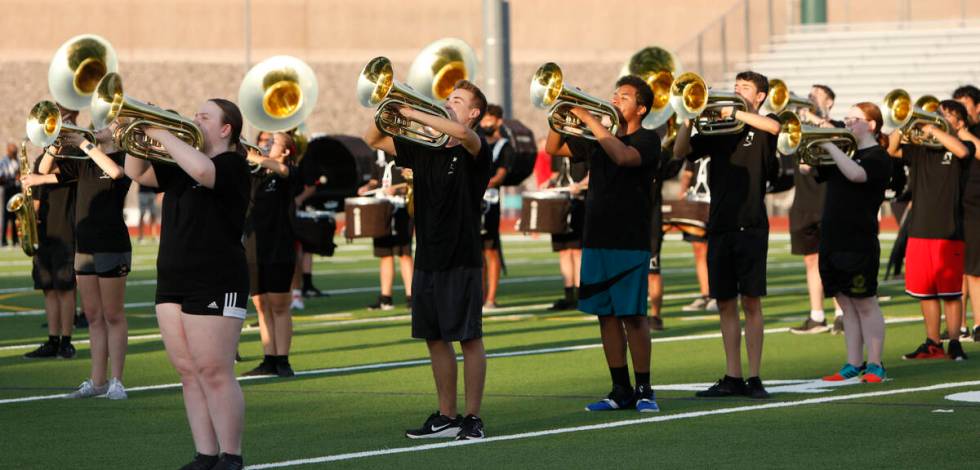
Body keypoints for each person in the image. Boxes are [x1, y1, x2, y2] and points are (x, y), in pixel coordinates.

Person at [125, 98, 249, 470]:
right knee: (188, 372)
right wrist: (139, 131)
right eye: (194, 114)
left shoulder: (232, 165)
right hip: (173, 279)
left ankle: (231, 455)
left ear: (225, 129)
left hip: (216, 279)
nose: (195, 120)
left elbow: (204, 172)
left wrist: (161, 132)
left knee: (214, 370)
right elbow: (138, 173)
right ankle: (205, 454)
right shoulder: (184, 163)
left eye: (204, 117)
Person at [364, 79, 490, 440]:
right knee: (434, 338)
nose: (449, 103)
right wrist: (391, 104)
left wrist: (415, 112)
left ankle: (472, 418)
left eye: (458, 100)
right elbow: (372, 138)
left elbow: (464, 135)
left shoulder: (476, 147)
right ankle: (447, 416)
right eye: (448, 98)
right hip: (428, 254)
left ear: (473, 112)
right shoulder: (425, 146)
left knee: (468, 338)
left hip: (461, 254)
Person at [546, 75, 661, 412]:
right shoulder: (597, 138)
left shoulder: (648, 139)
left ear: (640, 108)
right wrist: (561, 111)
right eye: (615, 93)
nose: (615, 98)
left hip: (630, 238)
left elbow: (624, 157)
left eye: (624, 96)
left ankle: (644, 389)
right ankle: (620, 389)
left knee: (633, 317)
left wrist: (590, 119)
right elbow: (553, 148)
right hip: (596, 236)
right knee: (605, 317)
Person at [674, 71, 781, 399]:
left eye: (744, 88)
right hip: (719, 223)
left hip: (751, 223)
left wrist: (735, 112)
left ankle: (755, 376)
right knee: (724, 303)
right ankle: (732, 375)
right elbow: (681, 151)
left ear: (760, 96)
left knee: (751, 302)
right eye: (735, 88)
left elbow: (774, 127)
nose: (736, 92)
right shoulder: (718, 130)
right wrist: (687, 116)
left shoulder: (764, 122)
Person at [25, 120, 133, 399]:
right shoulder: (84, 161)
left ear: (119, 130)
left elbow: (115, 172)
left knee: (113, 315)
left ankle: (117, 381)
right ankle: (97, 381)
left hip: (112, 245)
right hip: (84, 246)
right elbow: (44, 171)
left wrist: (84, 143)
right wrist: (56, 144)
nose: (99, 125)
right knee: (94, 316)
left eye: (108, 122)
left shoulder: (125, 157)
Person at [805, 103, 891, 383]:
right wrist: (808, 147)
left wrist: (831, 147)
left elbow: (857, 175)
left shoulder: (877, 156)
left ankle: (875, 363)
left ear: (872, 125)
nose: (848, 124)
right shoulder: (845, 154)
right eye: (847, 119)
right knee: (845, 305)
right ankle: (853, 362)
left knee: (865, 303)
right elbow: (808, 170)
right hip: (831, 238)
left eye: (854, 119)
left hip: (858, 240)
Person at [886, 100, 973, 361]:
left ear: (959, 122)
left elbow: (961, 151)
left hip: (949, 230)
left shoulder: (961, 145)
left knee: (951, 292)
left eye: (948, 114)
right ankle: (932, 342)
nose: (941, 116)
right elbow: (891, 149)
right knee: (925, 291)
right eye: (940, 113)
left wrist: (935, 129)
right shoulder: (920, 149)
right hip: (920, 228)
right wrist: (905, 123)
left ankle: (955, 342)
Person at [241, 132, 301, 378]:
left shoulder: (287, 172)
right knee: (260, 304)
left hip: (279, 245)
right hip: (254, 244)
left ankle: (283, 359)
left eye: (272, 142)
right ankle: (269, 357)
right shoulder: (254, 172)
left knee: (279, 305)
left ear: (285, 151)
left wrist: (254, 157)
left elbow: (284, 172)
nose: (265, 145)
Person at [790, 84, 845, 335]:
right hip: (803, 202)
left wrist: (813, 118)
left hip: (829, 200)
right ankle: (816, 316)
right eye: (809, 94)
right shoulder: (797, 129)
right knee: (811, 261)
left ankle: (842, 314)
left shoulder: (838, 125)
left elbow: (836, 135)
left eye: (817, 95)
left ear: (830, 102)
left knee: (832, 261)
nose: (810, 97)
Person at [22, 120, 78, 359]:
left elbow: (56, 176)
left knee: (65, 288)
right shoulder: (40, 161)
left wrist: (59, 146)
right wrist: (27, 219)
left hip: (66, 231)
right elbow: (36, 188)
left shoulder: (75, 160)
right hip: (44, 234)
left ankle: (66, 341)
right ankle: (53, 340)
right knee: (48, 289)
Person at [357, 149, 414, 311]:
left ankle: (412, 297)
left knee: (404, 253)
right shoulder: (376, 153)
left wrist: (398, 188)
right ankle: (385, 297)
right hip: (381, 207)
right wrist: (367, 187)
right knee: (385, 254)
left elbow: (413, 177)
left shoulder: (402, 150)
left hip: (402, 206)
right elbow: (375, 179)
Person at [478, 104, 514, 309]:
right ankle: (480, 295)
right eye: (483, 120)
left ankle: (491, 297)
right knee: (478, 251)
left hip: (490, 202)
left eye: (489, 119)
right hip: (474, 201)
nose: (485, 123)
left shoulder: (504, 146)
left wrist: (481, 182)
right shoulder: (479, 142)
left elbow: (500, 175)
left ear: (499, 121)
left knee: (491, 250)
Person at [953, 85, 980, 342]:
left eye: (965, 106)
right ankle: (958, 325)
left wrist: (965, 134)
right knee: (957, 270)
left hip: (976, 207)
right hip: (954, 205)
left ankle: (979, 324)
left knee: (974, 270)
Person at [545, 154, 588, 311]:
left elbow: (593, 174)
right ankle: (569, 296)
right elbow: (556, 174)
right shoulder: (557, 150)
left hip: (579, 202)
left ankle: (580, 295)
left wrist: (580, 185)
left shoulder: (583, 147)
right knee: (563, 251)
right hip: (560, 203)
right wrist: (548, 183)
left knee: (577, 251)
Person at [677, 158, 717, 313]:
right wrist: (682, 191)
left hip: (715, 201)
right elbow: (687, 172)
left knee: (716, 249)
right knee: (699, 248)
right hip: (696, 201)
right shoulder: (696, 142)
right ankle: (706, 294)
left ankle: (718, 293)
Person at [1, 142, 20, 247]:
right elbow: (1, 177)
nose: (15, 153)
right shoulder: (3, 162)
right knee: (6, 215)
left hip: (16, 189)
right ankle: (3, 241)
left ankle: (15, 240)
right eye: (13, 151)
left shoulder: (18, 161)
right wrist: (11, 178)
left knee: (16, 215)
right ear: (8, 151)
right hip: (8, 189)